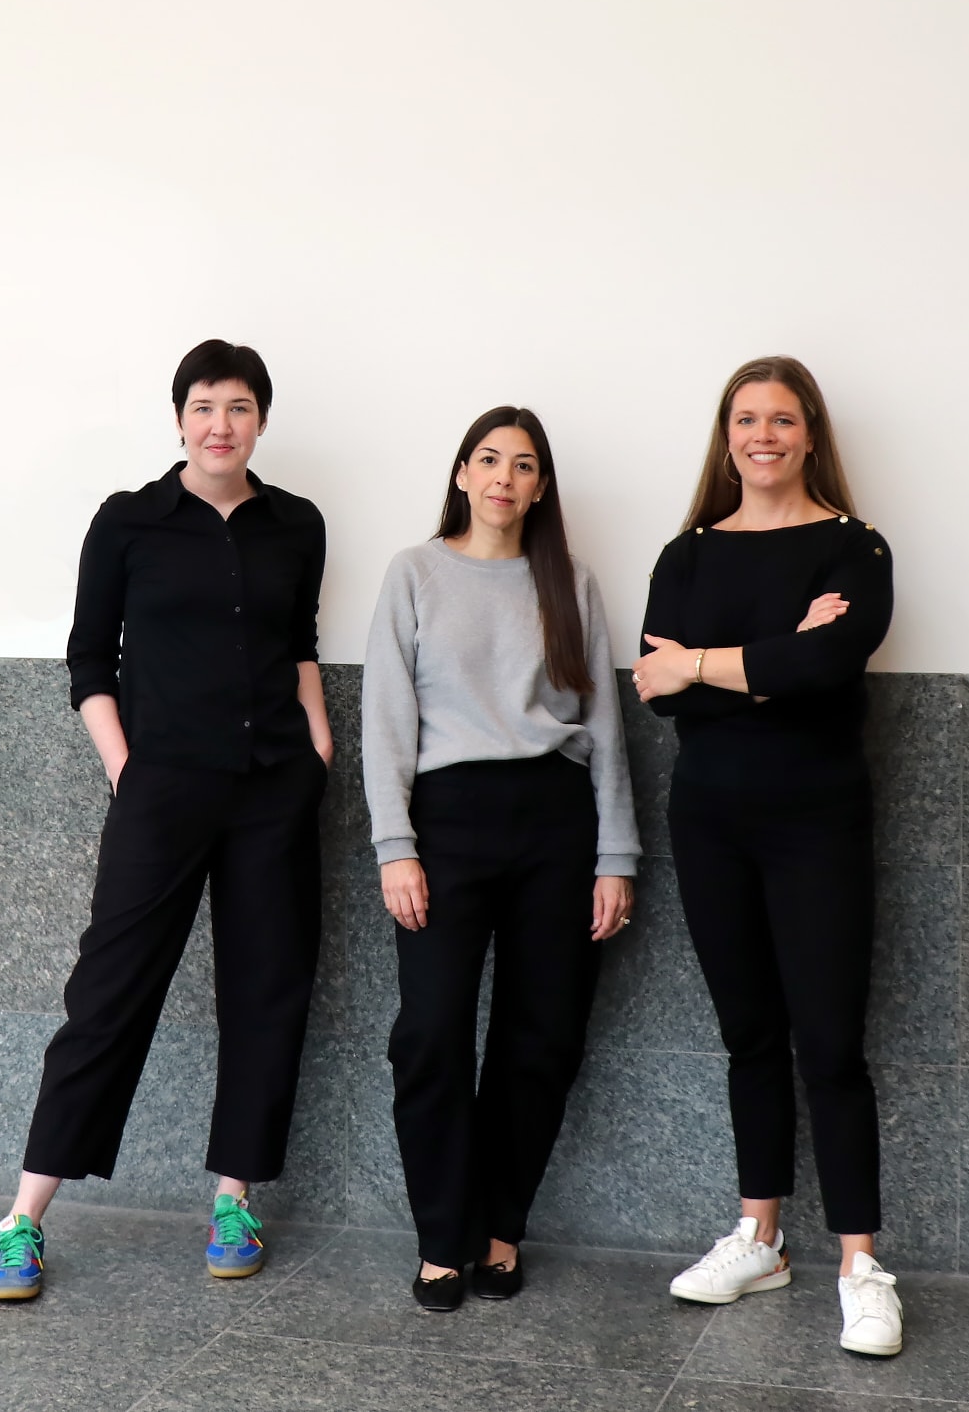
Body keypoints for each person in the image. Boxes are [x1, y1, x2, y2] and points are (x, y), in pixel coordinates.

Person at [0, 339, 333, 1302]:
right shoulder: (130, 521)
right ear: (179, 418)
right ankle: (23, 1219)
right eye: (204, 406)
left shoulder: (296, 524)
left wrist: (318, 746)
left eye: (240, 408)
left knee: (267, 992)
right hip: (162, 789)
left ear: (261, 420)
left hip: (271, 789)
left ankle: (233, 1198)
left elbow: (298, 641)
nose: (221, 424)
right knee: (108, 997)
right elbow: (89, 659)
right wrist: (129, 768)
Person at [632, 355, 903, 1358]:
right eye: (746, 418)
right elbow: (657, 690)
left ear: (810, 434)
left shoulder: (855, 549)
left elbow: (829, 665)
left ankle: (862, 1264)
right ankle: (760, 1235)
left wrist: (713, 663)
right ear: (727, 434)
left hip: (818, 820)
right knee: (749, 1033)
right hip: (710, 820)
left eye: (782, 419)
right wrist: (771, 665)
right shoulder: (688, 554)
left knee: (829, 1043)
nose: (763, 435)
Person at [364, 407, 640, 1313]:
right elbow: (385, 723)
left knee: (542, 1038)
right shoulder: (413, 573)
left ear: (540, 486)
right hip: (447, 820)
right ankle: (441, 1237)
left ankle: (498, 1228)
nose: (503, 479)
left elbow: (602, 729)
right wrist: (395, 846)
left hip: (554, 822)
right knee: (432, 1034)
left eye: (523, 466)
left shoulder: (571, 583)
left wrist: (615, 856)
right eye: (488, 460)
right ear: (460, 472)